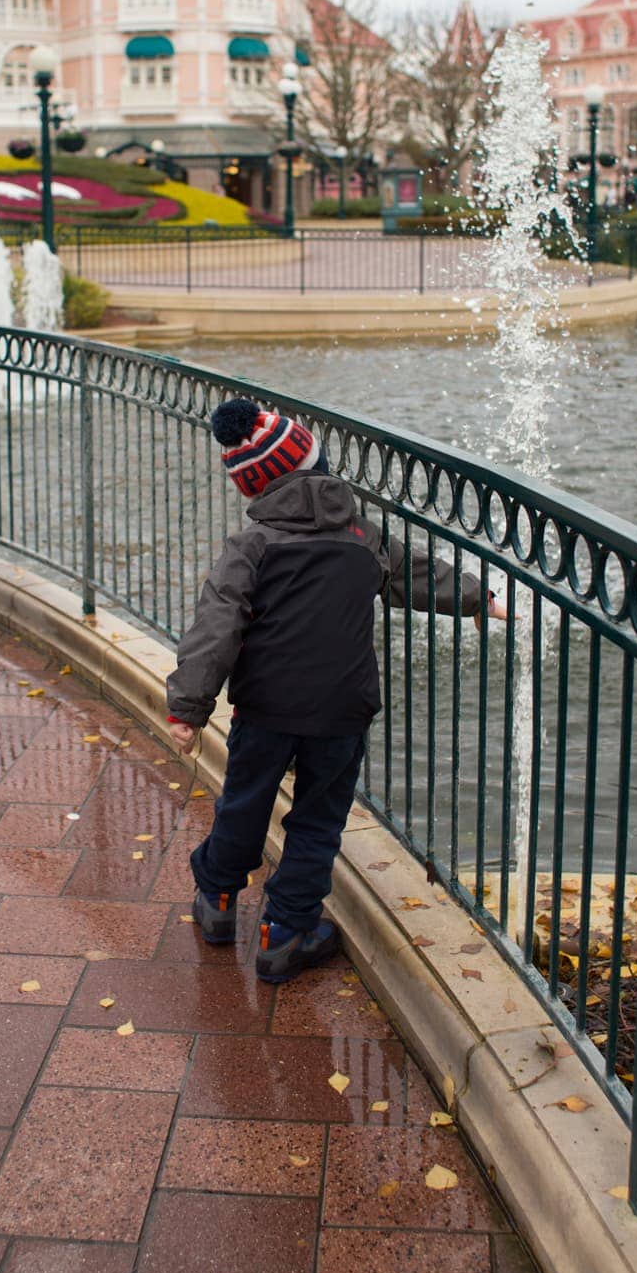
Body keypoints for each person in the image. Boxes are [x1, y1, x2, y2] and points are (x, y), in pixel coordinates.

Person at [165, 396, 507, 984]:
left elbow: (214, 630)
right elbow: (420, 576)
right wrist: (484, 600)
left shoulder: (251, 548)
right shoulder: (362, 536)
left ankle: (218, 900)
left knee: (245, 801)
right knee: (319, 818)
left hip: (266, 709)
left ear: (256, 490)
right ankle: (285, 932)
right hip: (342, 711)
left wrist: (188, 709)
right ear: (319, 467)